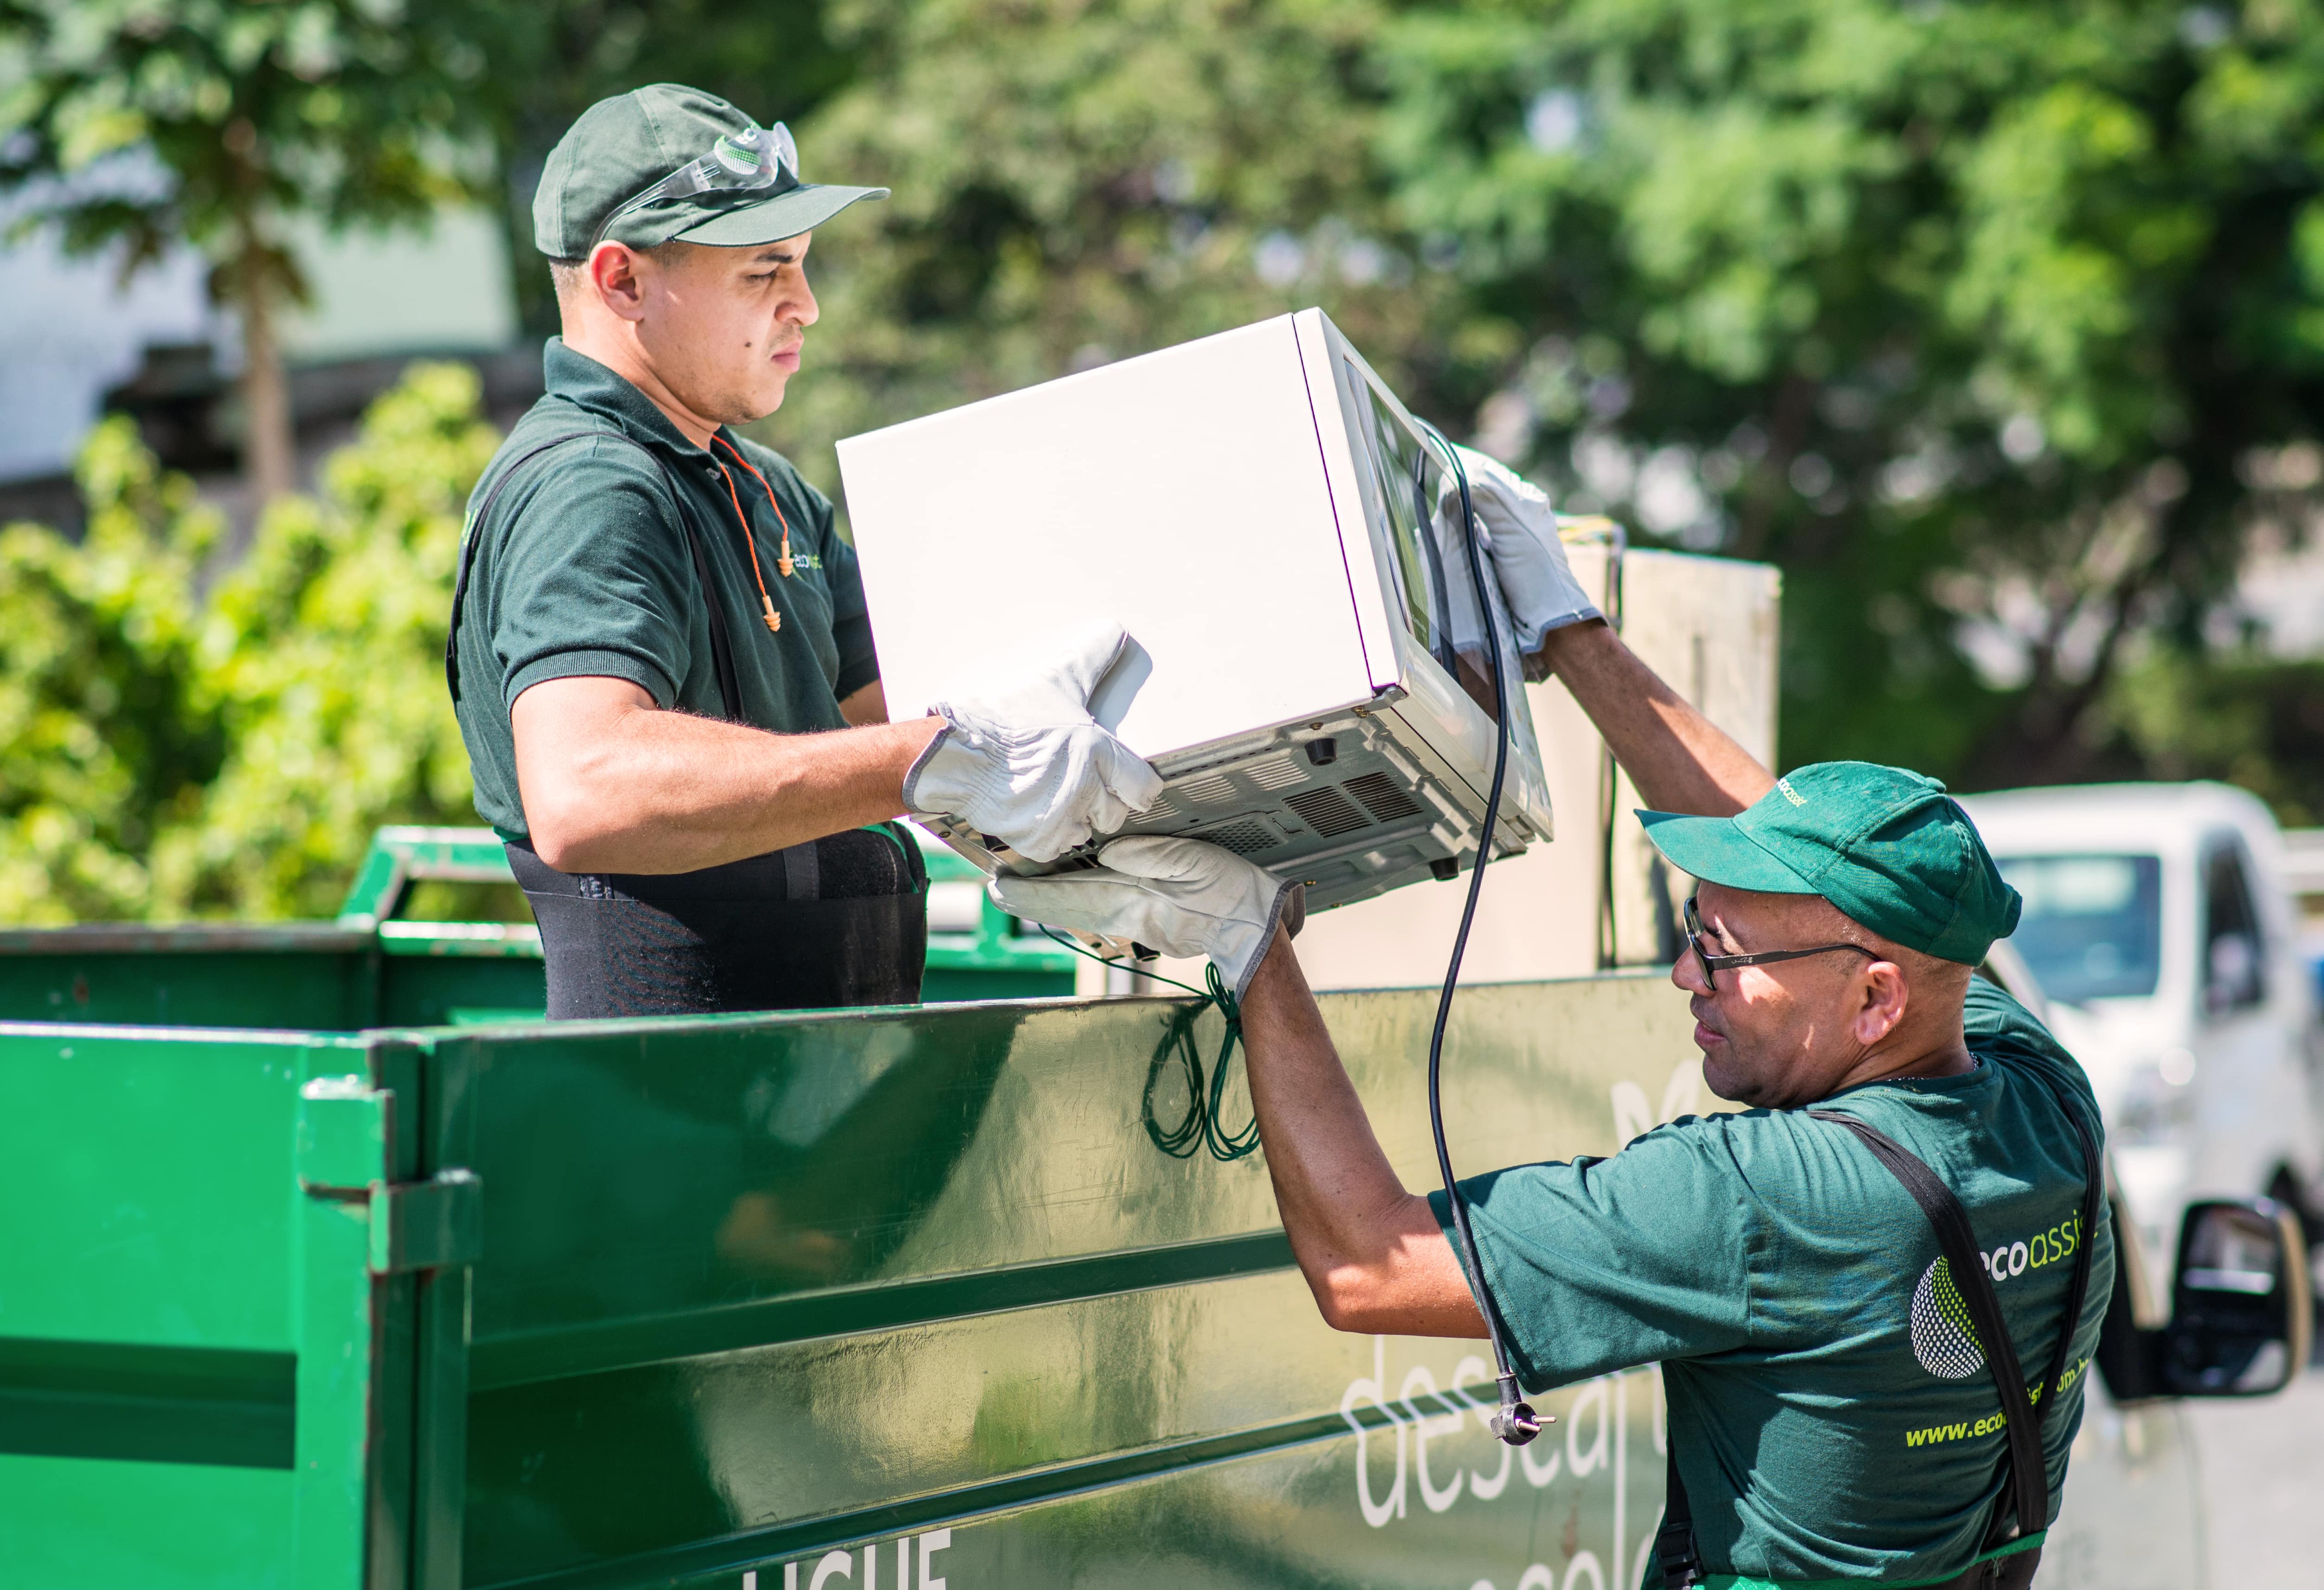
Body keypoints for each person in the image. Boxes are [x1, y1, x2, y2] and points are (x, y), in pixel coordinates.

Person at [991, 453, 2112, 1590]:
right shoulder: (2043, 1094)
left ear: (1874, 997)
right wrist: (1575, 634)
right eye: (1693, 924)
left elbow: (1374, 1266)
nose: (1685, 971)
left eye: (1719, 952)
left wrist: (1252, 940)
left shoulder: (1767, 1200)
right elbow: (1819, 879)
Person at [448, 85, 1157, 1018]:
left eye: (804, 266)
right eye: (765, 272)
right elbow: (585, 788)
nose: (808, 307)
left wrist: (1142, 818)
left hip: (813, 1087)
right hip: (675, 1115)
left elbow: (925, 714)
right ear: (623, 280)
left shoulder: (771, 491)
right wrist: (933, 758)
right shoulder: (586, 484)